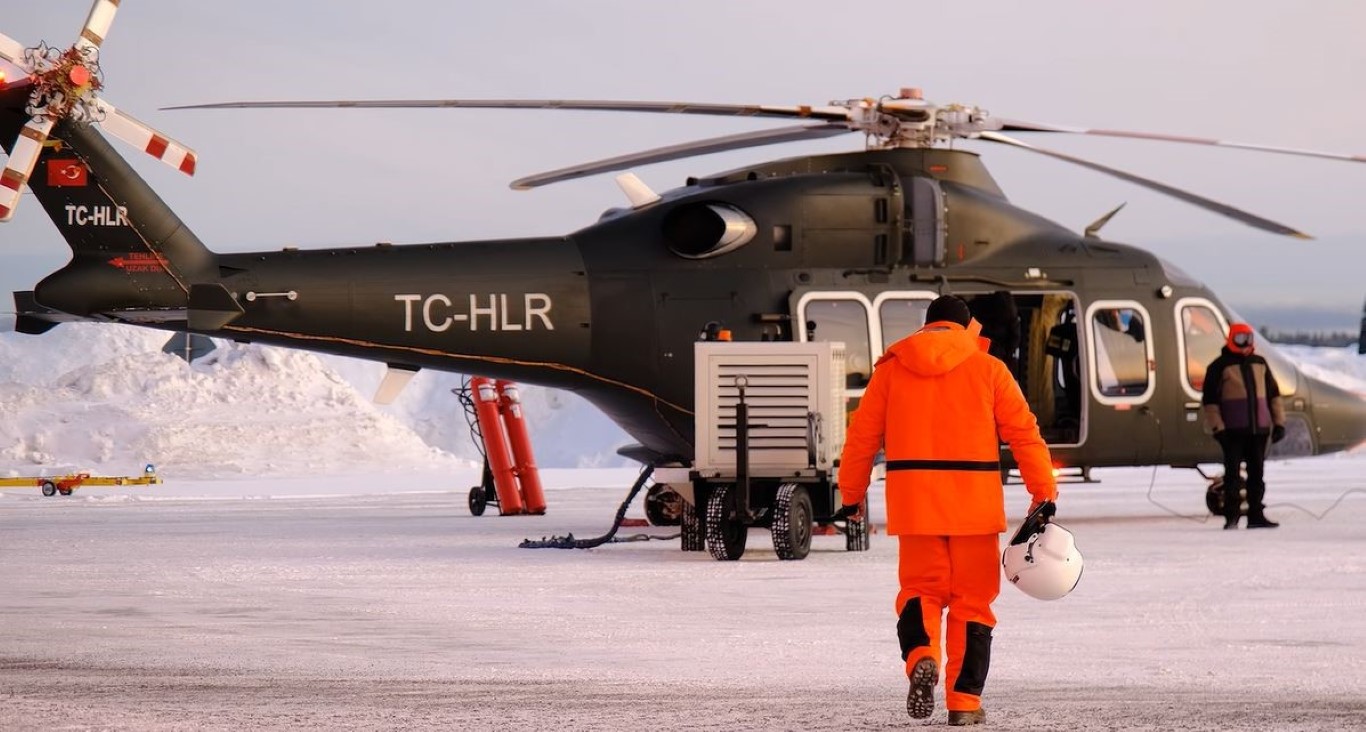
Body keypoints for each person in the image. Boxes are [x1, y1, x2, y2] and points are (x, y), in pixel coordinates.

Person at [837, 294, 1058, 726]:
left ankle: (922, 655)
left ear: (927, 326)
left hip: (915, 507)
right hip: (974, 508)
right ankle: (964, 704)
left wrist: (851, 496)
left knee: (921, 592)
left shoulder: (890, 371)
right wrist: (1043, 491)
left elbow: (860, 439)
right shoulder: (989, 369)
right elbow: (1025, 434)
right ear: (966, 327)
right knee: (973, 604)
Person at [1201, 323, 1286, 529]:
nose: (1245, 344)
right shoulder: (1218, 366)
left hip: (1259, 430)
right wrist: (1218, 428)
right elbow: (1210, 402)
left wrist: (1279, 423)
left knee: (1257, 474)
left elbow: (1274, 396)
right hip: (1232, 431)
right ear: (1231, 339)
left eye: (1248, 339)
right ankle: (1232, 516)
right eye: (1240, 339)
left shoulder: (1260, 363)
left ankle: (1256, 514)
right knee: (1232, 475)